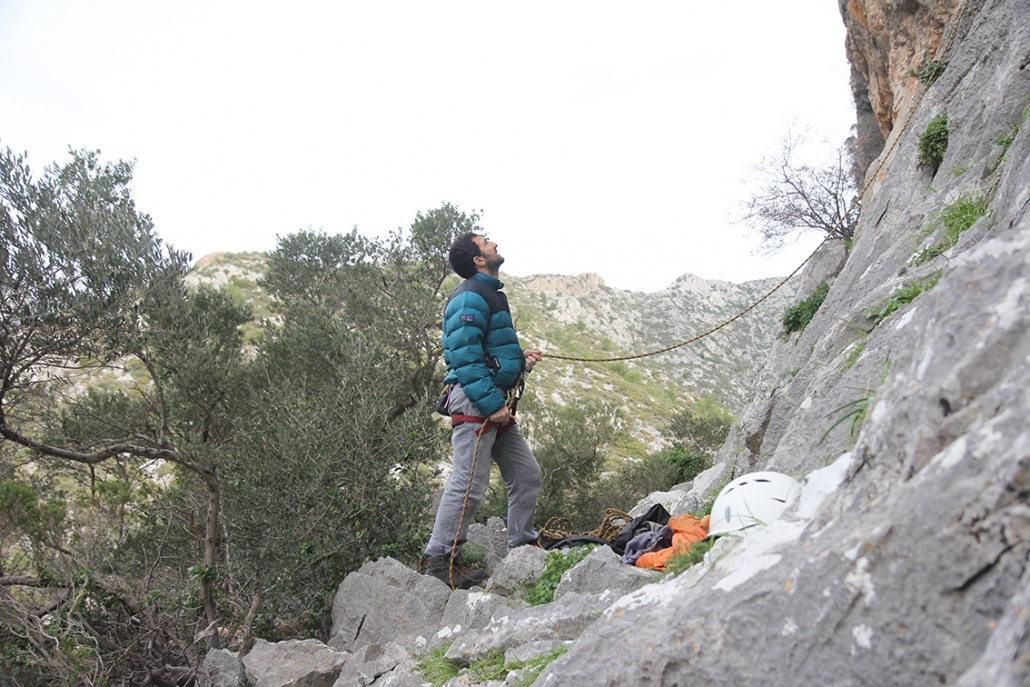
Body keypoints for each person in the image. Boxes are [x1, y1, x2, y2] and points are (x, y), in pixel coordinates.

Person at [424, 233, 543, 589]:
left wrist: (518, 360)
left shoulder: (488, 293)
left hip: (491, 399)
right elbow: (465, 357)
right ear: (478, 259)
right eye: (486, 242)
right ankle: (441, 561)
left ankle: (522, 546)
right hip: (478, 401)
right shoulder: (470, 296)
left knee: (526, 473)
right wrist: (493, 405)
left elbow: (486, 351)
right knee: (469, 482)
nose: (494, 244)